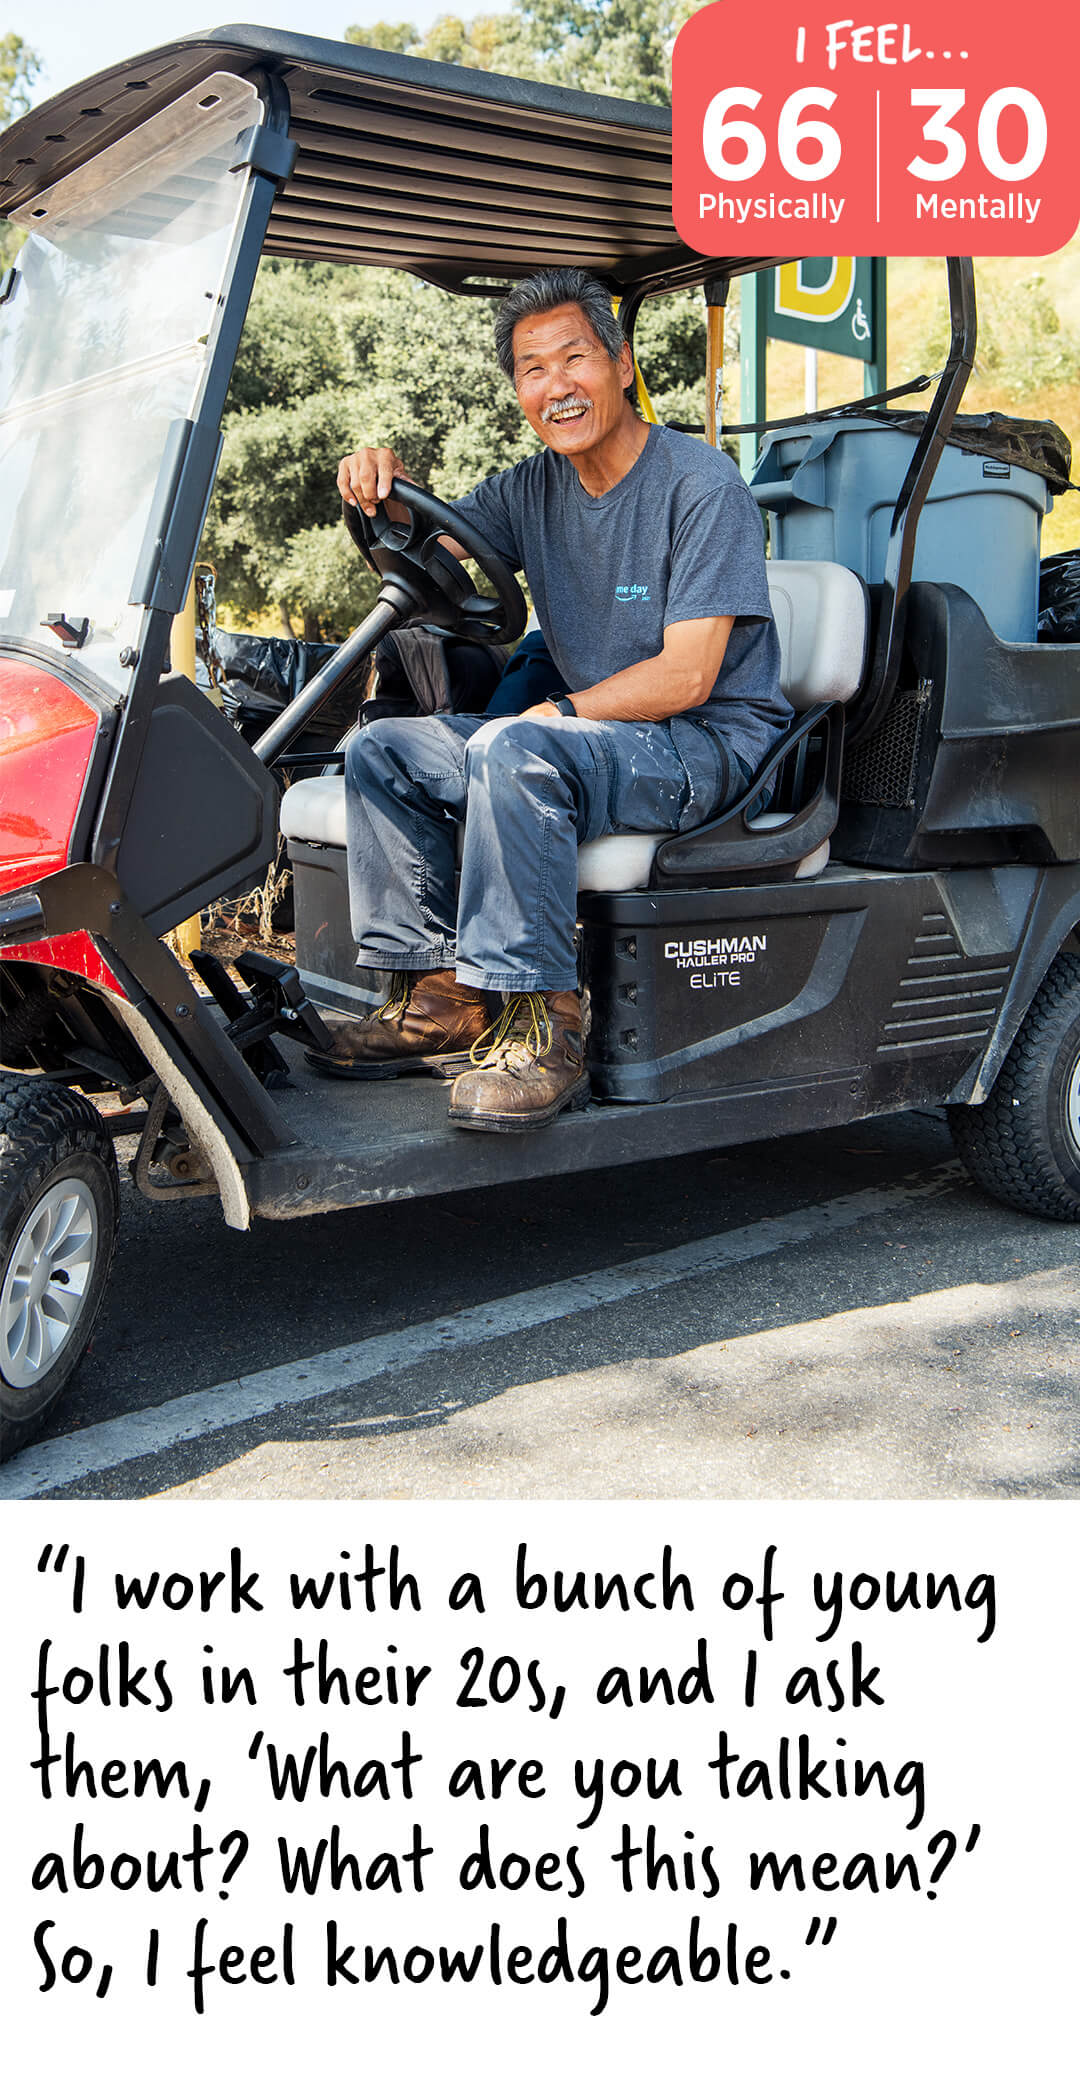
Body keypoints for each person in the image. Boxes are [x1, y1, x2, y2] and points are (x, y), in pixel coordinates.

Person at [312, 266, 791, 1131]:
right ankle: (442, 993)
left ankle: (544, 1026)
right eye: (532, 369)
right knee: (385, 748)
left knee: (512, 746)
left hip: (707, 743)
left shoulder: (701, 486)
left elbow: (688, 676)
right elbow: (439, 555)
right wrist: (382, 490)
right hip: (600, 738)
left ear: (622, 363)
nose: (555, 384)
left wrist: (559, 715)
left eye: (574, 358)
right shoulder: (532, 487)